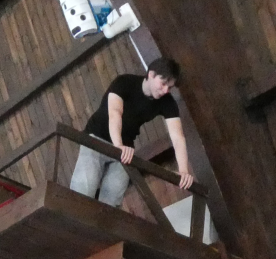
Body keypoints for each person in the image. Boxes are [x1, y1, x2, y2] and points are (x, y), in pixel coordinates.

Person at [72, 58, 193, 206]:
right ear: (151, 74)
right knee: (84, 187)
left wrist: (183, 170)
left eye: (170, 87)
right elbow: (115, 113)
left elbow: (177, 136)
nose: (166, 90)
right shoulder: (124, 82)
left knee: (113, 195)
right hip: (97, 137)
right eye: (163, 84)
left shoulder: (167, 101)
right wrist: (118, 146)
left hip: (125, 147)